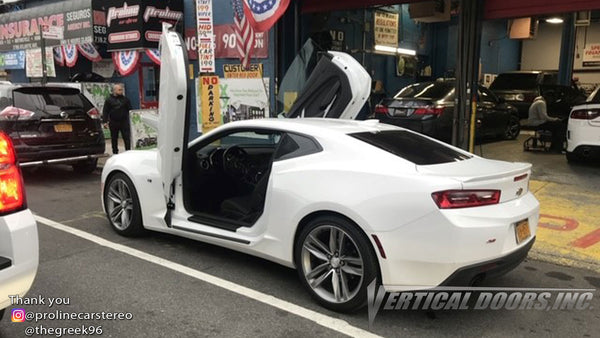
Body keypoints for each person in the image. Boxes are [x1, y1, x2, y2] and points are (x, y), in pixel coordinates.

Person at [102, 84, 132, 154]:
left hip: (124, 121)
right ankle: (115, 152)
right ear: (114, 90)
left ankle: (128, 151)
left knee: (126, 137)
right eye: (119, 90)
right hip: (113, 121)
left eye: (121, 90)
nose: (121, 91)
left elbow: (130, 110)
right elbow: (105, 111)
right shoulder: (109, 100)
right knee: (114, 138)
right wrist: (105, 121)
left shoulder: (125, 100)